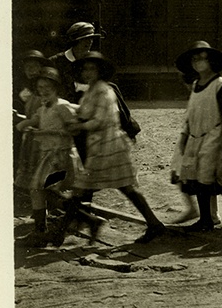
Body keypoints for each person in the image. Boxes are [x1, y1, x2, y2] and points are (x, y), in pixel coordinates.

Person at [64, 52, 168, 244]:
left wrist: (79, 125)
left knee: (91, 186)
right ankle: (153, 224)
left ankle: (65, 230)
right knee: (119, 187)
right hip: (99, 145)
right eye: (85, 68)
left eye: (92, 68)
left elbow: (100, 120)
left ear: (100, 70)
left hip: (109, 145)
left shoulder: (104, 90)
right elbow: (83, 112)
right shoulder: (91, 90)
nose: (88, 72)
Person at [172, 41, 222, 231]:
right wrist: (185, 136)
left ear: (211, 61)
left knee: (205, 177)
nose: (198, 62)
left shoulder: (219, 85)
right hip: (195, 135)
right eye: (194, 59)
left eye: (202, 58)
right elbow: (191, 113)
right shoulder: (197, 84)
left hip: (213, 134)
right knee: (195, 176)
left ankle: (207, 219)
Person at [15, 67, 78, 244]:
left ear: (56, 88)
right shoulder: (43, 108)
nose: (43, 91)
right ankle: (43, 229)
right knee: (41, 191)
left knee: (39, 190)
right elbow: (35, 121)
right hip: (48, 157)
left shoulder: (62, 106)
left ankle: (41, 231)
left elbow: (73, 129)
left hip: (61, 157)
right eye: (40, 87)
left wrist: (47, 133)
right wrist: (24, 123)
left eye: (47, 87)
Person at [49, 22, 104, 103]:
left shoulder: (94, 61)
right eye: (84, 39)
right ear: (74, 41)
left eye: (91, 39)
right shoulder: (56, 61)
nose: (89, 42)